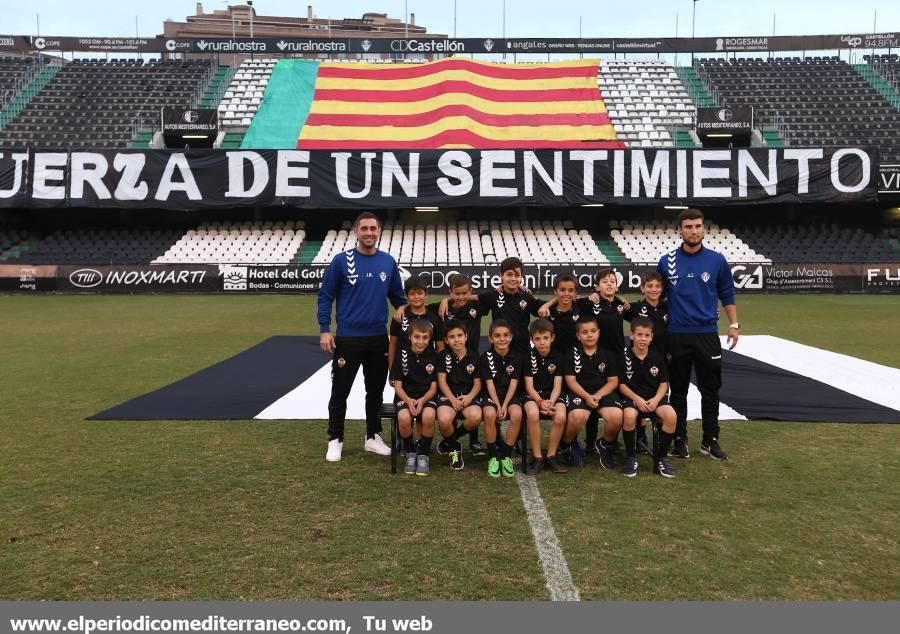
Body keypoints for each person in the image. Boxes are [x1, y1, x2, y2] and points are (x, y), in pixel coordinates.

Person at [317, 211, 407, 463]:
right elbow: (325, 296)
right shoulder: (341, 260)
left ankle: (372, 437)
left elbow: (399, 299)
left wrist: (404, 308)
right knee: (340, 392)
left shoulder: (388, 262)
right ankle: (335, 439)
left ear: (379, 232)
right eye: (364, 228)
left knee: (375, 392)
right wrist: (325, 329)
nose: (369, 233)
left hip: (378, 338)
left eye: (373, 228)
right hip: (348, 339)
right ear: (356, 231)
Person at [657, 208, 739, 461]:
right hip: (677, 335)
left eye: (698, 226)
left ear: (704, 229)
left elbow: (727, 293)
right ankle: (679, 440)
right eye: (689, 227)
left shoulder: (717, 260)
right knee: (678, 391)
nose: (694, 231)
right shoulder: (666, 260)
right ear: (679, 230)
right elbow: (657, 295)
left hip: (706, 334)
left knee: (710, 390)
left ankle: (710, 440)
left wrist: (734, 324)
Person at [617, 317, 678, 478]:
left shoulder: (657, 357)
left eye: (646, 335)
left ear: (651, 337)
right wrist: (637, 399)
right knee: (629, 415)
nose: (643, 339)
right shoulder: (624, 356)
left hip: (654, 399)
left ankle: (661, 458)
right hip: (632, 398)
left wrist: (656, 400)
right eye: (639, 335)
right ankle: (631, 457)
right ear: (632, 336)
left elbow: (664, 383)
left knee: (671, 416)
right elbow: (621, 385)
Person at [563, 315, 623, 470]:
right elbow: (571, 381)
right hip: (579, 393)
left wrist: (597, 396)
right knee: (578, 416)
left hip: (602, 393)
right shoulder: (571, 353)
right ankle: (566, 445)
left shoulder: (608, 353)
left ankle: (605, 444)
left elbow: (613, 381)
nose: (589, 335)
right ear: (578, 335)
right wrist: (587, 397)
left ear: (599, 333)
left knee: (616, 416)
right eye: (585, 332)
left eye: (593, 331)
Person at [391, 320, 440, 476]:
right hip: (405, 396)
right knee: (404, 418)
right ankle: (411, 453)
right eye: (417, 337)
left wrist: (422, 401)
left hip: (426, 397)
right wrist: (408, 400)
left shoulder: (434, 356)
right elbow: (397, 386)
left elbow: (434, 387)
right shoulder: (401, 355)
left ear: (430, 338)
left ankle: (423, 455)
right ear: (410, 337)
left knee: (429, 415)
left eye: (425, 337)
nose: (420, 341)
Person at [522, 319, 568, 475]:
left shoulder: (558, 356)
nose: (542, 342)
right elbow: (529, 386)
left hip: (553, 396)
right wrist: (540, 402)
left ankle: (551, 456)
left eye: (545, 338)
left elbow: (558, 386)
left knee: (560, 416)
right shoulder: (528, 356)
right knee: (533, 414)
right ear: (531, 339)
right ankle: (537, 457)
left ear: (552, 338)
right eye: (537, 339)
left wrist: (550, 402)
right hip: (533, 396)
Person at [436, 322, 483, 471]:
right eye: (452, 337)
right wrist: (452, 399)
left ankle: (451, 440)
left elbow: (478, 383)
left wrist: (469, 397)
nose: (456, 340)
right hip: (449, 396)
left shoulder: (474, 356)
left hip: (468, 396)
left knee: (475, 417)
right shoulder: (443, 356)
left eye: (459, 335)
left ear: (466, 336)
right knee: (443, 420)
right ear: (446, 340)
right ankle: (454, 448)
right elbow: (442, 382)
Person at [480, 319, 524, 478]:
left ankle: (506, 456)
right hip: (491, 396)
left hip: (510, 396)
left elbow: (514, 384)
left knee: (517, 414)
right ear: (490, 338)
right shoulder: (485, 357)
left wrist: (505, 405)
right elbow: (490, 385)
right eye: (497, 335)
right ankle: (493, 457)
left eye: (505, 335)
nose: (502, 339)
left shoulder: (517, 357)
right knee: (490, 414)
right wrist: (498, 406)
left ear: (511, 337)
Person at [389, 276, 443, 369]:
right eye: (412, 294)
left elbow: (440, 347)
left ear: (426, 294)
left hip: (428, 370)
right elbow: (393, 344)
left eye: (420, 293)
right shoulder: (399, 317)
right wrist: (391, 368)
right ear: (406, 295)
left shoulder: (434, 317)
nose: (416, 297)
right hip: (404, 370)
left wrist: (439, 370)